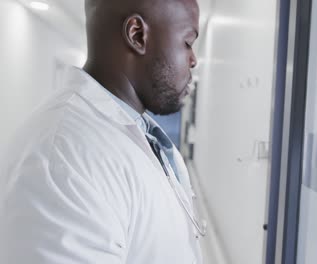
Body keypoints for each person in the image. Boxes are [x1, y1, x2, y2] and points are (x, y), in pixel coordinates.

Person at [0, 0, 203, 263]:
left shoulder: (138, 132)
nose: (194, 60)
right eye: (187, 43)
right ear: (137, 35)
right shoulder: (65, 159)